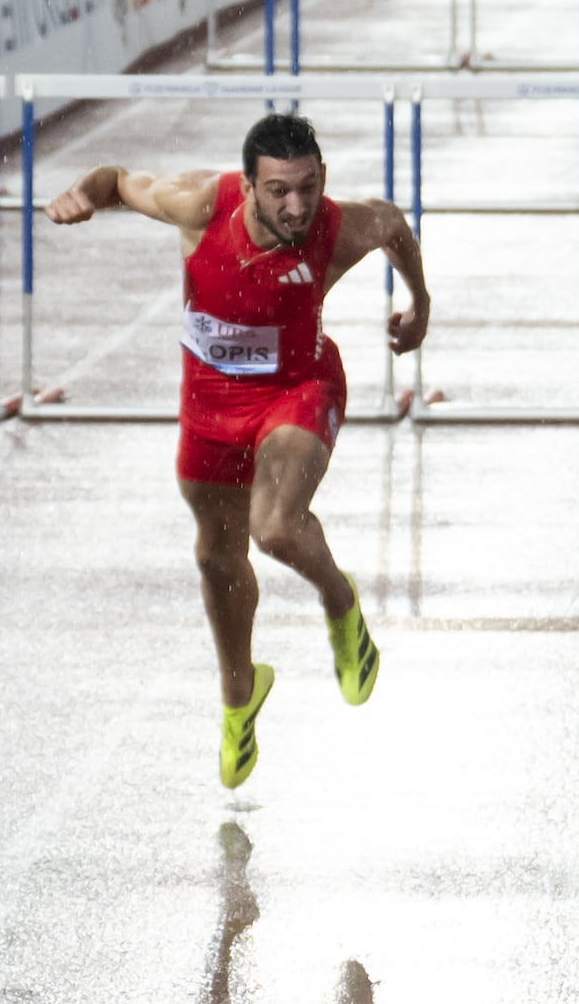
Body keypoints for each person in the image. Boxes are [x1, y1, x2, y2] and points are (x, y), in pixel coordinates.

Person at [46, 111, 429, 786]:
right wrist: (84, 190)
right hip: (211, 403)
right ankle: (239, 698)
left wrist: (419, 302)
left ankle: (341, 606)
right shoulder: (199, 204)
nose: (297, 205)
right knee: (217, 555)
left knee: (275, 525)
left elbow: (394, 222)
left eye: (309, 186)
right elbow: (115, 179)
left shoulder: (337, 228)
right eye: (279, 190)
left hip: (298, 387)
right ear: (248, 186)